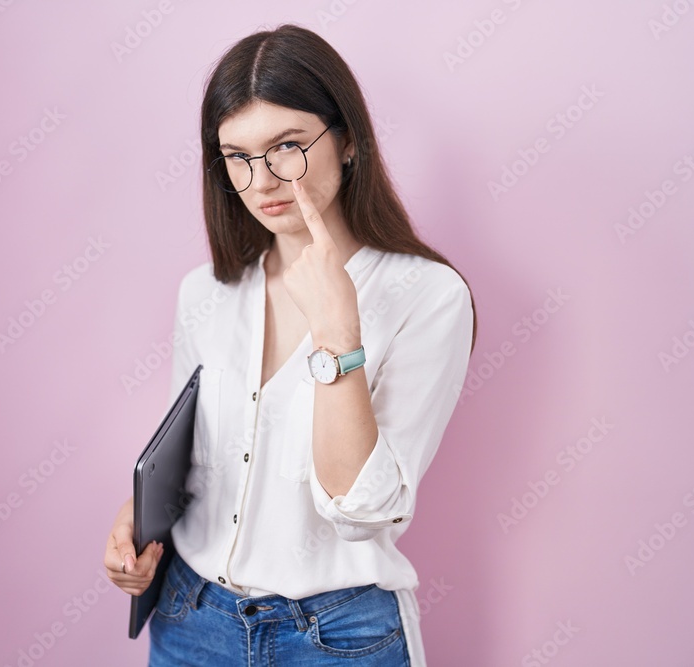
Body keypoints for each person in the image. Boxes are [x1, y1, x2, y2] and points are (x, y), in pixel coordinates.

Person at [105, 23, 477, 666]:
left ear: (349, 140)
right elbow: (193, 458)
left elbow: (362, 511)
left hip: (336, 637)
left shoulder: (429, 295)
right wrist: (135, 518)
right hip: (190, 618)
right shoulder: (206, 292)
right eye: (237, 156)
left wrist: (338, 333)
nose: (263, 180)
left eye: (287, 146)